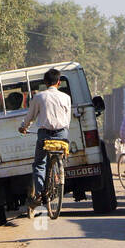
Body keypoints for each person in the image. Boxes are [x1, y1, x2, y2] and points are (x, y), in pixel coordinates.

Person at [19, 68, 73, 209]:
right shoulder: (66, 97)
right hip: (62, 134)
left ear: (45, 82)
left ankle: (39, 193)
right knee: (60, 152)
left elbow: (30, 117)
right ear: (59, 82)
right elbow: (67, 120)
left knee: (39, 164)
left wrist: (23, 127)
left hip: (45, 135)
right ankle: (57, 169)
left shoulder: (39, 97)